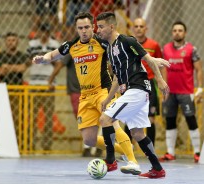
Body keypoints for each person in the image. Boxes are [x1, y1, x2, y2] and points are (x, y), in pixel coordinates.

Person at [32, 12, 141, 175]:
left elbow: (119, 45)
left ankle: (133, 161)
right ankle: (123, 149)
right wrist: (43, 58)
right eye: (80, 28)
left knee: (112, 123)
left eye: (87, 27)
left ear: (93, 27)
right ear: (76, 29)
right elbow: (53, 54)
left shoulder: (101, 42)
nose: (83, 31)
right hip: (85, 95)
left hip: (102, 92)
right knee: (89, 140)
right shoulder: (72, 45)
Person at [96, 12, 169, 178]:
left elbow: (149, 60)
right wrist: (108, 99)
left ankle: (110, 160)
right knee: (137, 133)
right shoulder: (109, 48)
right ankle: (157, 169)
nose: (98, 30)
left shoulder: (127, 41)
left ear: (111, 26)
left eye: (101, 26)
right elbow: (116, 77)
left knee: (105, 119)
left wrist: (160, 80)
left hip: (136, 89)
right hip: (131, 91)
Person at [159, 21, 203, 163]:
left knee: (191, 119)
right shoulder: (165, 49)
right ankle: (170, 153)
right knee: (170, 120)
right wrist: (164, 89)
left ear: (185, 33)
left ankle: (197, 152)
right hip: (170, 93)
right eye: (175, 30)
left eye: (180, 30)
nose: (177, 32)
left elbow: (198, 70)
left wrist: (200, 89)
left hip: (186, 92)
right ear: (172, 33)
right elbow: (163, 69)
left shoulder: (192, 49)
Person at [123, 18, 163, 146]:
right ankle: (127, 149)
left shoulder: (154, 45)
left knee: (150, 119)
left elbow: (159, 65)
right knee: (128, 117)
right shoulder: (126, 44)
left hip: (150, 84)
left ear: (146, 28)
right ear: (133, 28)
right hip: (133, 83)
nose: (139, 28)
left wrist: (162, 82)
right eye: (136, 26)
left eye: (141, 26)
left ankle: (151, 150)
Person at [27, 23, 63, 151]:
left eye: (46, 32)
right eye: (42, 31)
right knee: (31, 116)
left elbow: (59, 64)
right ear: (39, 32)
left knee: (48, 116)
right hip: (33, 83)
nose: (44, 34)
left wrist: (50, 79)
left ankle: (46, 145)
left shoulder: (54, 45)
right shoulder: (32, 45)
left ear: (49, 33)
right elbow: (27, 61)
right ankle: (29, 144)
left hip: (47, 84)